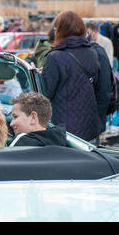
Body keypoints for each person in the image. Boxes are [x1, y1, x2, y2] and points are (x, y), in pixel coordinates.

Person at [42, 11, 101, 142]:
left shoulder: (55, 57)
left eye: (56, 28)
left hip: (66, 129)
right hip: (89, 125)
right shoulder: (92, 53)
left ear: (61, 30)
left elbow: (45, 93)